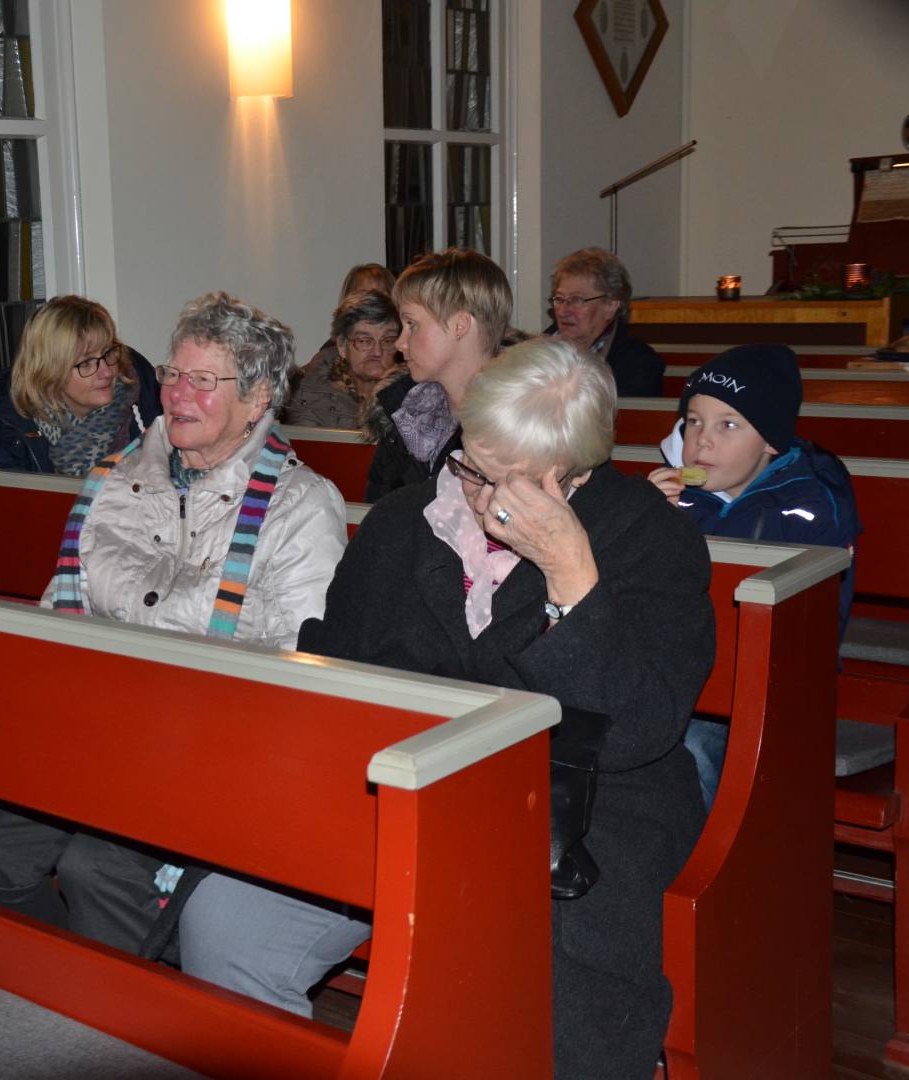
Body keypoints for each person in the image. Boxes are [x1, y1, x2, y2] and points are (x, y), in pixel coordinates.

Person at [0, 291, 363, 1016]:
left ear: (258, 398)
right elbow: (55, 621)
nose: (177, 393)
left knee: (99, 865)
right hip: (95, 736)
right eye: (172, 373)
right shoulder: (115, 479)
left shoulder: (300, 505)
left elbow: (297, 670)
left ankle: (120, 1026)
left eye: (205, 380)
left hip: (216, 758)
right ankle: (53, 992)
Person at [298, 337, 715, 1079]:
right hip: (414, 778)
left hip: (589, 800)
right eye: (470, 466)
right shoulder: (402, 524)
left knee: (571, 963)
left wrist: (570, 575)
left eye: (513, 484)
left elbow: (641, 727)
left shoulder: (649, 536)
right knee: (230, 920)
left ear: (578, 475)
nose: (479, 500)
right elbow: (341, 668)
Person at [648, 344, 861, 807]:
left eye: (728, 425)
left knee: (692, 750)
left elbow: (811, 619)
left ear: (770, 440)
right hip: (681, 671)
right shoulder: (675, 494)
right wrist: (643, 518)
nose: (702, 442)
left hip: (772, 684)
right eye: (694, 421)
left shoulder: (809, 505)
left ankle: (692, 867)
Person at [363, 247, 511, 502]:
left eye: (412, 324)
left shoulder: (520, 426)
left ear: (460, 325)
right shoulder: (404, 414)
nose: (399, 343)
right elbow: (377, 521)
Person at [0, 295, 161, 476]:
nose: (106, 372)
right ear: (50, 371)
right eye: (86, 363)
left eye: (108, 353)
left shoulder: (142, 387)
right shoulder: (10, 429)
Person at [547, 247, 664, 397]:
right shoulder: (536, 352)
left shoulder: (639, 365)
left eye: (576, 300)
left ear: (610, 306)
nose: (563, 311)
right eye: (559, 299)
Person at [281, 289, 401, 428]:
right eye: (364, 340)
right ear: (342, 346)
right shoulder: (311, 394)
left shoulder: (413, 393)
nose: (377, 351)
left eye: (388, 340)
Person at [289, 262, 398, 411]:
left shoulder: (408, 358)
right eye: (365, 296)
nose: (373, 306)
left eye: (382, 296)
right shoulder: (325, 362)